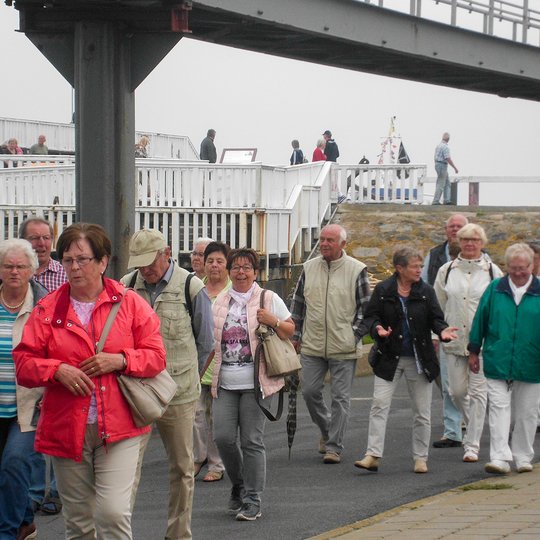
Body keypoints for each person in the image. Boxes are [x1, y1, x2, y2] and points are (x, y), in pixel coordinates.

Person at [13, 223, 166, 540]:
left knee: (112, 514)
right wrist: (56, 370)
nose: (74, 267)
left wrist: (121, 360)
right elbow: (24, 365)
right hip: (67, 428)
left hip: (120, 426)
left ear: (102, 261)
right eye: (68, 260)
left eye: (82, 259)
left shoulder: (130, 303)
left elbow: (156, 357)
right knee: (79, 522)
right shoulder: (47, 308)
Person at [122, 229, 214, 540]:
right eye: (139, 263)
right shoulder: (125, 287)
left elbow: (206, 343)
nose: (144, 269)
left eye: (150, 262)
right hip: (135, 393)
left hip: (179, 394)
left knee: (182, 468)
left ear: (167, 253)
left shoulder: (191, 286)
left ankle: (178, 534)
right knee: (126, 469)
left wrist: (185, 378)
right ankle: (120, 533)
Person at [354, 246, 457, 474]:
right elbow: (371, 316)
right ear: (400, 268)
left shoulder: (426, 291)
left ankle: (420, 458)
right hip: (389, 356)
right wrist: (377, 329)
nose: (420, 270)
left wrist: (443, 332)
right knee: (379, 405)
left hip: (420, 359)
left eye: (421, 266)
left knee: (422, 411)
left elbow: (436, 319)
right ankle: (372, 454)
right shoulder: (383, 289)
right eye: (415, 266)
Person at [211, 248, 294, 521]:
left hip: (258, 382)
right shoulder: (220, 302)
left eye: (247, 268)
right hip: (225, 382)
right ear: (229, 271)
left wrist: (274, 321)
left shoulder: (268, 298)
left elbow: (290, 329)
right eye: (236, 267)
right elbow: (210, 343)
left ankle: (253, 498)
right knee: (223, 438)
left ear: (256, 272)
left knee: (251, 440)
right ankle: (239, 484)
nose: (241, 272)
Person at [290, 224, 371, 464]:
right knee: (310, 391)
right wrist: (295, 335)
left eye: (330, 240)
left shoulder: (357, 270)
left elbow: (365, 309)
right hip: (312, 344)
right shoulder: (309, 267)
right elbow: (298, 303)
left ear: (343, 244)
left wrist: (353, 335)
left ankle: (334, 447)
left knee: (340, 398)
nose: (324, 243)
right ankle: (327, 430)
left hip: (343, 346)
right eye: (322, 239)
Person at [468, 243, 540, 475]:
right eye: (513, 267)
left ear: (532, 266)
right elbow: (480, 319)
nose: (518, 272)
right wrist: (473, 349)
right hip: (498, 358)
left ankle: (523, 455)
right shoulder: (494, 289)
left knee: (527, 412)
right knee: (498, 408)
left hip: (532, 361)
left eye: (523, 268)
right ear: (506, 267)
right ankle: (499, 457)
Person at [434, 223, 502, 464]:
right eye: (465, 240)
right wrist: (437, 335)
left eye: (474, 240)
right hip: (453, 340)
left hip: (482, 343)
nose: (470, 244)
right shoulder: (447, 270)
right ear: (459, 242)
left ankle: (472, 445)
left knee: (478, 393)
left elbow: (499, 308)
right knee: (456, 391)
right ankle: (474, 427)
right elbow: (437, 305)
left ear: (482, 243)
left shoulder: (493, 272)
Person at [19, 217, 68, 516]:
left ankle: (57, 491)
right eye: (34, 238)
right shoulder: (15, 272)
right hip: (28, 359)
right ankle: (38, 492)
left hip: (59, 357)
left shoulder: (63, 273)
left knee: (58, 427)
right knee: (32, 428)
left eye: (45, 237)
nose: (40, 243)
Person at [0, 239, 48, 540]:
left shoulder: (44, 306)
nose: (14, 271)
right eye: (8, 265)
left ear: (32, 270)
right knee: (6, 473)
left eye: (20, 266)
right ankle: (27, 518)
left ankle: (7, 533)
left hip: (30, 404)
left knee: (14, 464)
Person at [421, 213, 468, 449]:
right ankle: (453, 430)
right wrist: (432, 332)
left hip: (473, 332)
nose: (456, 231)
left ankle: (471, 425)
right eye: (452, 227)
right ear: (446, 230)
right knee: (448, 382)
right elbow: (428, 294)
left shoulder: (487, 264)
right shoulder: (435, 258)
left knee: (472, 386)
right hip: (445, 329)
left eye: (460, 227)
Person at [193, 241, 231, 483]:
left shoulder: (233, 291)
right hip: (197, 363)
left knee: (217, 418)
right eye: (210, 261)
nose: (214, 266)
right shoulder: (195, 289)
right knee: (195, 415)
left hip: (223, 365)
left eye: (219, 261)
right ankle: (198, 457)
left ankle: (216, 464)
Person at [432, 132, 458, 205]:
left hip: (438, 164)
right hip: (442, 165)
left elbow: (435, 157)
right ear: (448, 139)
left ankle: (447, 200)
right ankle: (436, 201)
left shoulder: (438, 146)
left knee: (447, 183)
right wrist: (455, 168)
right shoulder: (445, 147)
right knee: (441, 183)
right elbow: (448, 158)